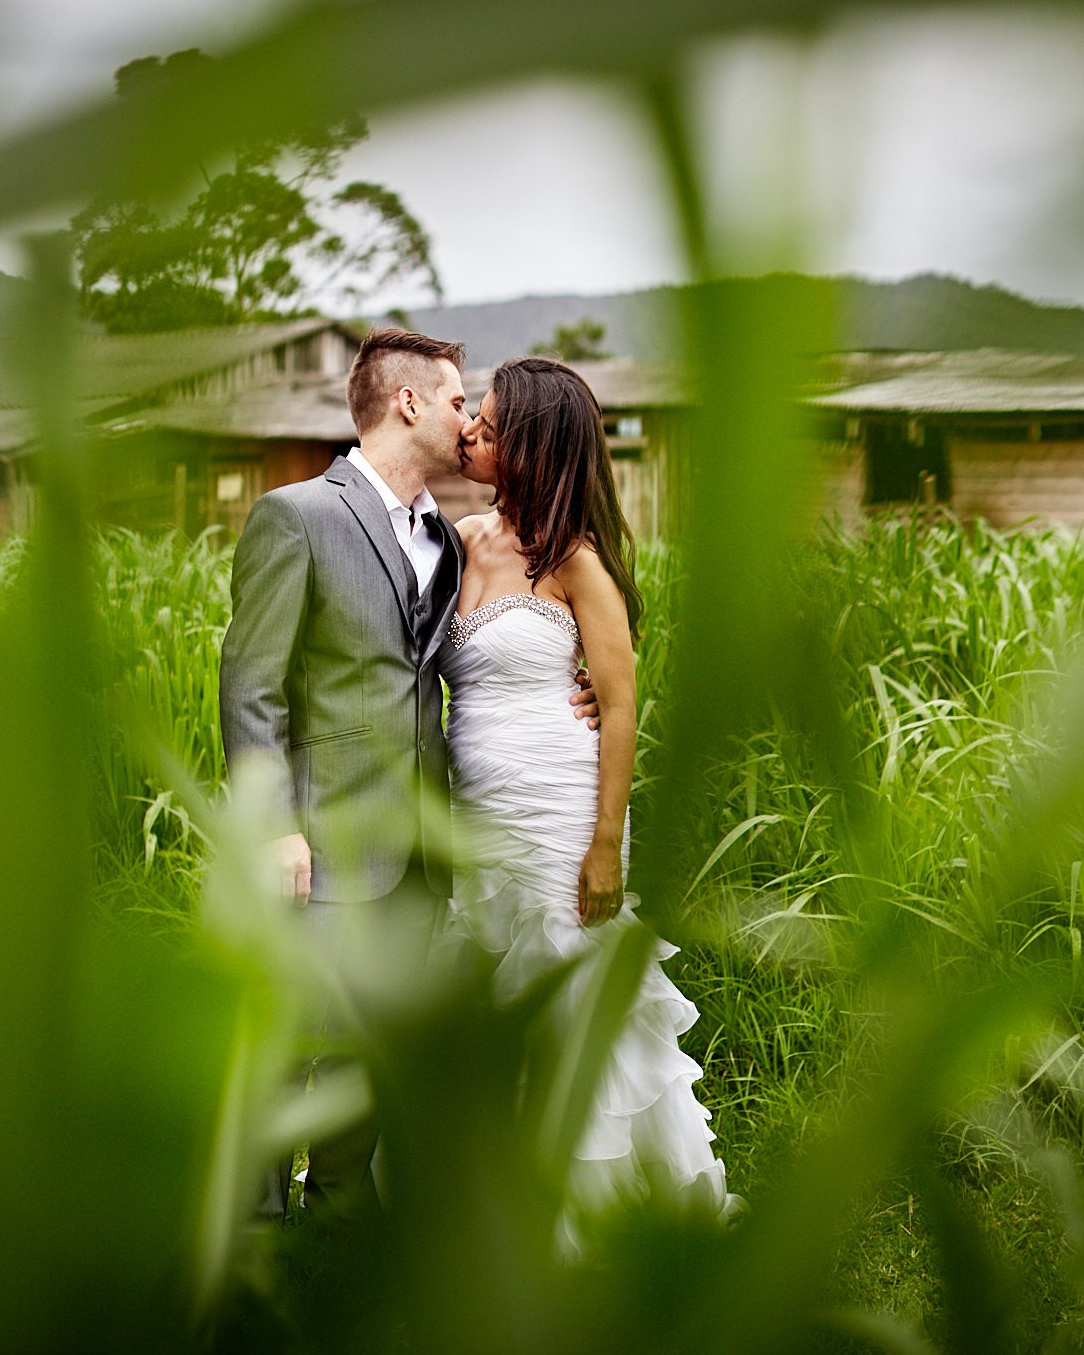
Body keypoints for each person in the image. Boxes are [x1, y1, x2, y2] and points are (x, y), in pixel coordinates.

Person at [218, 328, 594, 1220]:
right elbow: (251, 684)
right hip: (323, 835)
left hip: (422, 845)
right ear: (410, 402)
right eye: (461, 400)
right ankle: (257, 1227)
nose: (471, 421)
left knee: (369, 1039)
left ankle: (338, 1205)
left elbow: (499, 633)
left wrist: (566, 682)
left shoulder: (450, 538)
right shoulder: (298, 514)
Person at [444, 357, 736, 1238]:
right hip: (477, 812)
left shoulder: (577, 563)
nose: (472, 434)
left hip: (561, 815)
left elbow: (617, 705)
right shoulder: (460, 539)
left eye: (490, 428)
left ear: (532, 448)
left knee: (572, 997)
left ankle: (593, 1219)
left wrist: (606, 843)